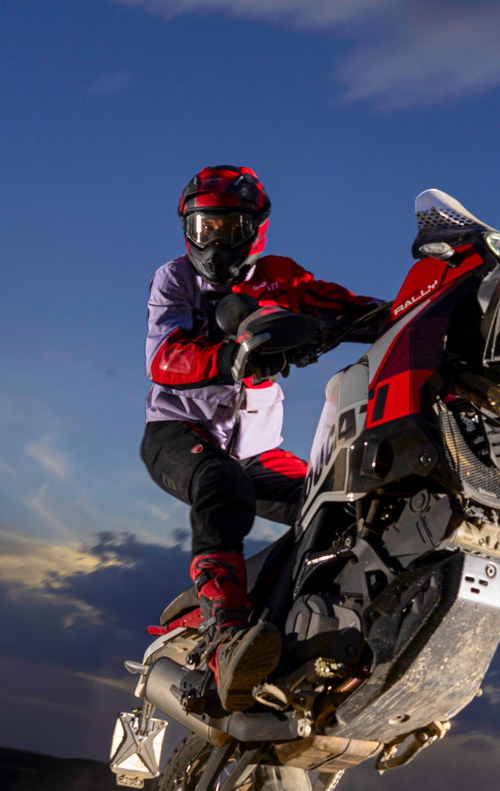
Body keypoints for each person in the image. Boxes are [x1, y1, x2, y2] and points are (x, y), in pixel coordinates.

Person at [141, 164, 386, 712]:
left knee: (339, 506)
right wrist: (238, 355)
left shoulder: (281, 276)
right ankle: (225, 636)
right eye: (206, 228)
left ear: (256, 227)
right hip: (178, 433)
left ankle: (303, 626)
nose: (216, 240)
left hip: (258, 451)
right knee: (222, 485)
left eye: (230, 228)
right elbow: (164, 358)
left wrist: (432, 309)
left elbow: (353, 310)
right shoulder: (174, 278)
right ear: (188, 228)